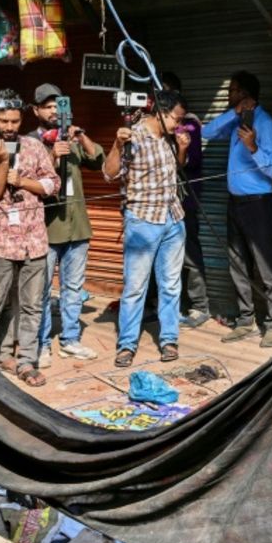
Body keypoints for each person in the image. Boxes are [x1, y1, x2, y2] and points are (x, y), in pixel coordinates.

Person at [0, 89, 58, 388]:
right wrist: (4, 163)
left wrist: (26, 183)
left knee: (32, 307)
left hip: (35, 240)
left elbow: (52, 184)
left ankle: (26, 362)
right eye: (3, 121)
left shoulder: (33, 146)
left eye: (15, 121)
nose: (9, 127)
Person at [103, 89, 187, 367]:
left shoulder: (168, 139)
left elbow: (174, 171)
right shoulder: (133, 135)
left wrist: (182, 149)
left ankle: (169, 340)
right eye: (176, 118)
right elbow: (109, 173)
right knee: (136, 288)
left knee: (171, 285)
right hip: (143, 222)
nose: (179, 124)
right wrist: (116, 144)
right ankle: (127, 344)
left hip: (173, 219)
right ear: (161, 115)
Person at [203, 71, 272, 348]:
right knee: (237, 263)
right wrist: (233, 112)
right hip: (235, 203)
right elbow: (207, 132)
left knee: (265, 265)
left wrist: (252, 147)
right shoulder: (237, 120)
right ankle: (246, 319)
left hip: (258, 204)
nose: (229, 95)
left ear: (247, 94)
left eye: (234, 91)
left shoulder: (266, 124)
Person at [31, 83, 101, 364]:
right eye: (47, 106)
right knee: (43, 291)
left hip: (77, 227)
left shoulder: (72, 138)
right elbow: (27, 181)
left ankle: (70, 340)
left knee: (73, 289)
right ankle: (42, 343)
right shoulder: (28, 142)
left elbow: (98, 160)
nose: (52, 111)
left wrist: (80, 137)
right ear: (35, 110)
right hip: (45, 230)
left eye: (57, 106)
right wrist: (51, 156)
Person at [175, 92, 211, 328]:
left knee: (190, 254)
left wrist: (182, 146)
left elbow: (193, 161)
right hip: (162, 205)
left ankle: (199, 306)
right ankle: (167, 305)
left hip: (186, 202)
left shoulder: (190, 128)